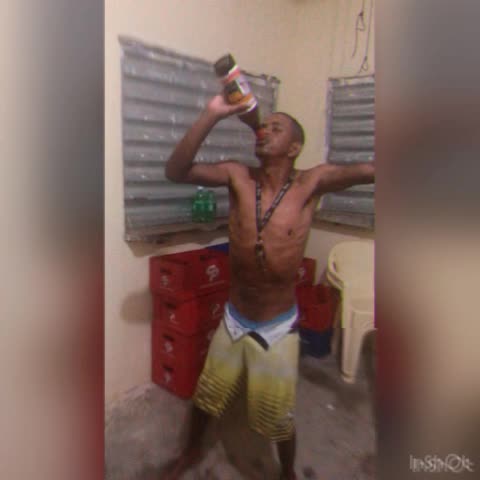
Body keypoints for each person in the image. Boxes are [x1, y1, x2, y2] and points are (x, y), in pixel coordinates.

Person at [163, 94, 375, 480]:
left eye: (276, 128)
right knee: (207, 395)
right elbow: (176, 171)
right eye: (263, 125)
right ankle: (190, 452)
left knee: (277, 415)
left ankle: (288, 472)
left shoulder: (311, 183)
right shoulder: (237, 176)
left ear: (294, 147)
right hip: (234, 318)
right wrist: (212, 113)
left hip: (277, 326)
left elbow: (368, 170)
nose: (264, 130)